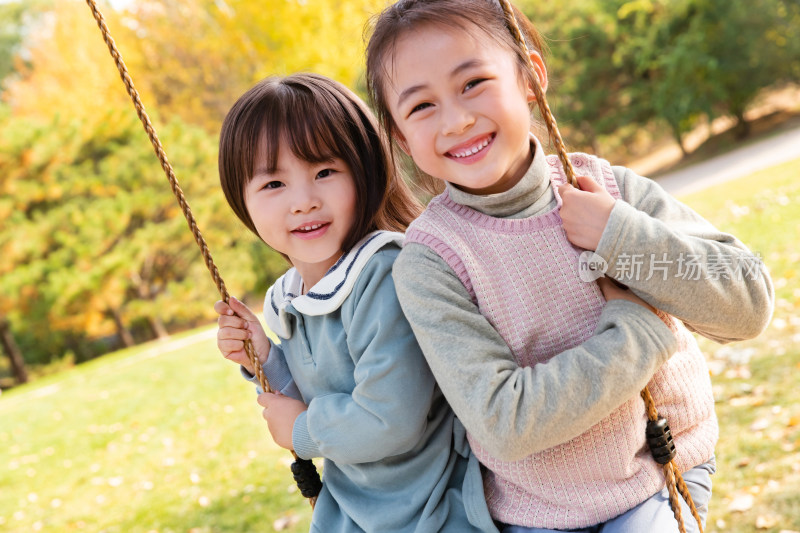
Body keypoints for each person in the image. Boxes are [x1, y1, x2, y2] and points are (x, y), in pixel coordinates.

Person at [365, 1, 774, 532]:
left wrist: (619, 234)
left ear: (531, 77)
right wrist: (639, 335)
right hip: (539, 513)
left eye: (473, 83)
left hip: (660, 477)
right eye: (421, 107)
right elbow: (503, 421)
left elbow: (749, 303)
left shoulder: (607, 190)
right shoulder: (431, 260)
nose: (457, 120)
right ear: (400, 137)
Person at [213, 72, 503, 533]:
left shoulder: (382, 273)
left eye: (324, 172)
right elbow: (317, 396)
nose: (303, 201)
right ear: (241, 200)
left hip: (432, 510)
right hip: (355, 510)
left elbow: (392, 418)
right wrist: (265, 356)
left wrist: (304, 430)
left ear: (363, 171)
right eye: (273, 184)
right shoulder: (294, 296)